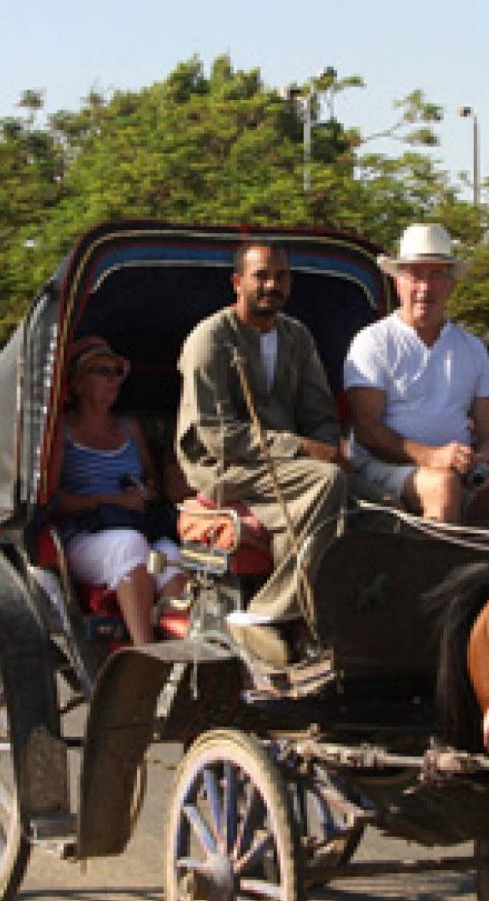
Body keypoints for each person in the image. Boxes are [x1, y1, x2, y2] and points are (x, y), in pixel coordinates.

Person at [175, 241, 347, 665]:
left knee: (374, 499)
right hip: (225, 469)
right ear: (238, 282)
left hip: (285, 469)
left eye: (282, 276)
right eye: (261, 276)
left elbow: (319, 412)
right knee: (325, 482)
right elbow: (216, 435)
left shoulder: (296, 336)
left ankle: (322, 626)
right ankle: (265, 614)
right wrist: (301, 449)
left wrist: (328, 446)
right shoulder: (211, 339)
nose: (273, 285)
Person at [345, 223, 489, 523]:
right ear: (398, 282)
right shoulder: (373, 341)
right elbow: (367, 430)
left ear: (451, 284)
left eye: (436, 275)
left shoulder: (473, 348)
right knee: (442, 486)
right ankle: (437, 569)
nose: (424, 288)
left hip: (459, 470)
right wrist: (431, 456)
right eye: (415, 274)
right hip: (382, 469)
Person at [53, 337, 187, 647]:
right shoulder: (63, 433)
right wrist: (111, 500)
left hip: (134, 525)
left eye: (117, 371)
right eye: (102, 371)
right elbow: (54, 500)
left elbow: (151, 479)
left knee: (171, 556)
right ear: (77, 383)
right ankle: (144, 652)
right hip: (85, 536)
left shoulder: (130, 428)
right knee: (130, 546)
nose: (113, 379)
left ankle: (179, 653)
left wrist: (145, 492)